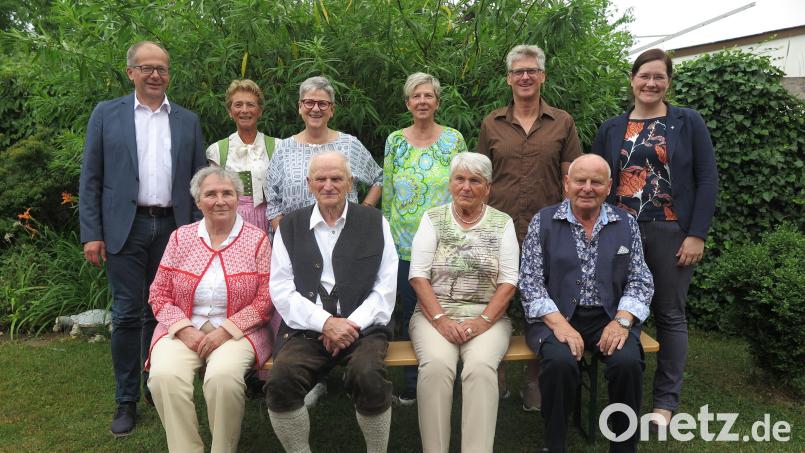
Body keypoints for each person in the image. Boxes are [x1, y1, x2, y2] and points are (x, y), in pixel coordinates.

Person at [79, 40, 206, 436]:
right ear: (130, 72)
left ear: (169, 74)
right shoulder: (106, 114)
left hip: (173, 228)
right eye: (147, 67)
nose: (155, 74)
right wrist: (91, 234)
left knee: (165, 312)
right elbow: (91, 178)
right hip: (125, 227)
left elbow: (199, 182)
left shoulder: (187, 120)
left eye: (162, 68)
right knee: (126, 313)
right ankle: (126, 399)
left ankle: (157, 383)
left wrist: (199, 233)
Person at [591, 48, 718, 428]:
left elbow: (707, 179)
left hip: (670, 231)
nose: (651, 83)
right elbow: (598, 181)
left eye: (658, 77)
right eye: (644, 76)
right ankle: (623, 385)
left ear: (668, 82)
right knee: (618, 308)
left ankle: (664, 402)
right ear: (632, 80)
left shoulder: (687, 122)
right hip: (619, 231)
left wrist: (696, 234)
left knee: (669, 314)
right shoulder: (611, 128)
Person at [519, 154, 654, 453]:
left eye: (596, 182)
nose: (587, 188)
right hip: (556, 317)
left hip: (610, 317)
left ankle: (624, 446)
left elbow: (640, 279)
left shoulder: (625, 223)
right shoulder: (544, 221)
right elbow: (530, 282)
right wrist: (559, 324)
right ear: (567, 183)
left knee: (627, 363)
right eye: (580, 180)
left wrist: (621, 321)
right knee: (560, 363)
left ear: (609, 186)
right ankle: (554, 444)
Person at [265, 151, 398, 453]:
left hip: (364, 327)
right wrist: (324, 323)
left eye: (336, 178)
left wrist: (349, 326)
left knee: (368, 374)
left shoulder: (375, 222)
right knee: (281, 379)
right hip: (306, 328)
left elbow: (385, 287)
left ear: (350, 183)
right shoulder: (290, 226)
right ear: (309, 183)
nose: (328, 185)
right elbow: (282, 289)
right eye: (321, 179)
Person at [477, 44, 582, 411]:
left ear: (542, 76)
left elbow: (571, 179)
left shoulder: (563, 122)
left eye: (531, 71)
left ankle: (535, 379)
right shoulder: (491, 123)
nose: (525, 77)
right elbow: (481, 178)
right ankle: (498, 372)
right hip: (498, 230)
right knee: (496, 303)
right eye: (518, 71)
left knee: (544, 303)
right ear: (509, 79)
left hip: (547, 231)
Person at [146, 167, 272, 453]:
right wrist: (184, 329)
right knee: (164, 377)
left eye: (227, 193)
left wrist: (226, 331)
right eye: (211, 194)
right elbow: (159, 293)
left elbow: (266, 298)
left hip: (239, 332)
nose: (220, 200)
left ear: (238, 198)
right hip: (183, 328)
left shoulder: (257, 240)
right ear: (198, 201)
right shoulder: (181, 238)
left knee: (223, 378)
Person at [408, 152, 519, 453]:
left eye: (475, 181)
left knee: (480, 368)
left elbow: (509, 282)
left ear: (488, 188)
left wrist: (482, 321)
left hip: (487, 317)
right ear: (450, 183)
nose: (466, 187)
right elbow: (418, 276)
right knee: (436, 367)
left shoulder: (502, 223)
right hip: (434, 314)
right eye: (460, 179)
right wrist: (441, 320)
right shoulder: (433, 219)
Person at [382, 72, 468, 405]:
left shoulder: (453, 140)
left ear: (437, 102)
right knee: (408, 312)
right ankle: (411, 381)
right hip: (404, 245)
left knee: (447, 307)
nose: (422, 101)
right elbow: (388, 193)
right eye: (416, 96)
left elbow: (464, 186)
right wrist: (387, 239)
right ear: (408, 103)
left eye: (428, 96)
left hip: (447, 244)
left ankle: (448, 373)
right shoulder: (395, 141)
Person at [264, 75, 382, 233]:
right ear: (300, 106)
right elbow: (273, 202)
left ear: (332, 109)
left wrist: (363, 211)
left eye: (322, 104)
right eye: (309, 102)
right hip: (296, 237)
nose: (315, 109)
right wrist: (285, 237)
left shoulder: (350, 145)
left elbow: (379, 178)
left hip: (344, 235)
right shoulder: (283, 149)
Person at [206, 79, 276, 233]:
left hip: (270, 221)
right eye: (238, 105)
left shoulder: (277, 147)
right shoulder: (217, 151)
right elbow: (214, 194)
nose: (244, 110)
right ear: (230, 111)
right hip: (232, 223)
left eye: (250, 105)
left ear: (260, 111)